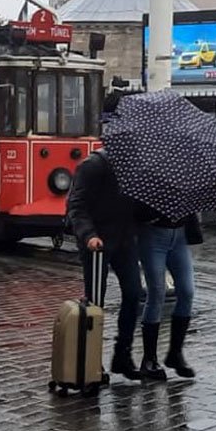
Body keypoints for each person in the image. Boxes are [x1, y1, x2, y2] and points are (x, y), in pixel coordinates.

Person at [67, 149, 145, 381]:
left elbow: (137, 207)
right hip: (97, 243)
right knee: (95, 303)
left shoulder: (136, 168)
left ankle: (123, 355)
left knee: (134, 294)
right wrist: (89, 235)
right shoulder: (93, 165)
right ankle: (92, 361)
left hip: (124, 240)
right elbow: (76, 206)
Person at [137, 206, 202, 380]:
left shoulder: (184, 180)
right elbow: (135, 209)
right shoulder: (145, 181)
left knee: (187, 291)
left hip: (179, 235)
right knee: (157, 293)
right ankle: (149, 359)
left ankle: (175, 353)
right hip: (153, 234)